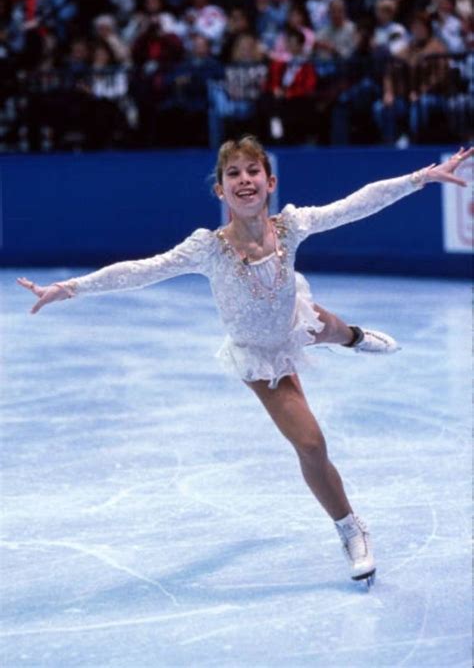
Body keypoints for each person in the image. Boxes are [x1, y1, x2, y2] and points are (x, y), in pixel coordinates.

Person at [17, 137, 472, 585]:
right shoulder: (208, 249)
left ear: (269, 181)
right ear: (220, 190)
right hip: (260, 354)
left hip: (291, 315)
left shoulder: (291, 226)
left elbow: (353, 205)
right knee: (311, 445)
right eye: (232, 173)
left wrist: (419, 178)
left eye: (252, 170)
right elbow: (140, 270)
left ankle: (353, 337)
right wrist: (70, 287)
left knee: (323, 326)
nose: (244, 179)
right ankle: (351, 529)